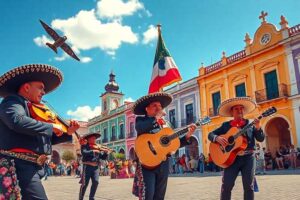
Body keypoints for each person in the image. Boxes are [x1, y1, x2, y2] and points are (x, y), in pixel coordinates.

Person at [0, 64, 80, 200]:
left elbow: (47, 139)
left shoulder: (35, 110)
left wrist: (68, 132)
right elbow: (16, 120)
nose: (43, 92)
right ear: (26, 87)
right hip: (18, 165)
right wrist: (50, 127)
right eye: (41, 88)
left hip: (34, 167)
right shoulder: (12, 102)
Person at [132, 92, 197, 200]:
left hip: (163, 164)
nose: (158, 108)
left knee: (159, 196)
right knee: (148, 195)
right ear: (147, 109)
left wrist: (187, 135)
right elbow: (141, 128)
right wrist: (155, 118)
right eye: (154, 106)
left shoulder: (166, 124)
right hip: (147, 163)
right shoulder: (141, 120)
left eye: (160, 106)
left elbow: (172, 144)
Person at [208, 97, 265, 200]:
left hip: (248, 158)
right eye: (236, 109)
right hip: (231, 159)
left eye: (241, 108)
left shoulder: (250, 124)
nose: (239, 111)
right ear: (231, 112)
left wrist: (258, 127)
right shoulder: (226, 126)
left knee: (249, 187)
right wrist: (217, 138)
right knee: (226, 186)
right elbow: (210, 134)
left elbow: (260, 138)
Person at [79, 132, 110, 200]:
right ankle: (81, 198)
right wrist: (93, 151)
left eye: (95, 138)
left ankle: (91, 197)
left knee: (96, 182)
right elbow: (84, 153)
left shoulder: (97, 146)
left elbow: (102, 157)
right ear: (89, 139)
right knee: (85, 184)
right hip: (87, 166)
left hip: (96, 167)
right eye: (93, 138)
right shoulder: (84, 145)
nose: (94, 140)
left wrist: (106, 153)